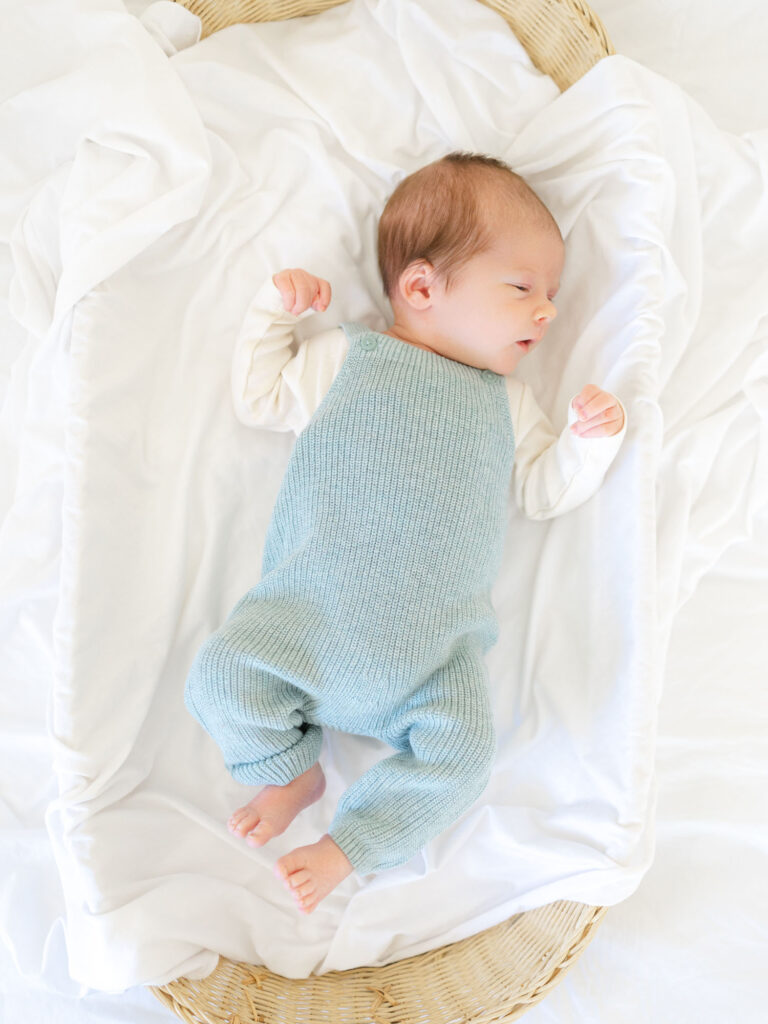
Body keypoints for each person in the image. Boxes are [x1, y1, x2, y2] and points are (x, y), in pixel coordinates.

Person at [184, 152, 627, 914]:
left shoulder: (508, 406)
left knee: (461, 759)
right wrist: (273, 315)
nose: (547, 311)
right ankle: (289, 768)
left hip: (429, 667)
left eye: (550, 294)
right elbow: (260, 397)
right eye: (522, 288)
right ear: (421, 287)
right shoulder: (348, 361)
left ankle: (348, 843)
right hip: (301, 628)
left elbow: (543, 493)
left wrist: (588, 442)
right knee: (220, 676)